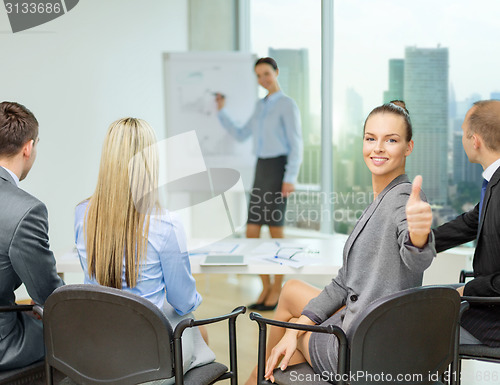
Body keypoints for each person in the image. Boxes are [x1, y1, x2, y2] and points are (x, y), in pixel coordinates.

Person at [244, 101, 435, 384]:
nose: (378, 148)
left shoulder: (403, 199)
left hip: (360, 351)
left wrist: (418, 236)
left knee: (283, 341)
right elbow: (344, 281)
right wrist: (296, 331)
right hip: (365, 333)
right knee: (290, 322)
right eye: (371, 139)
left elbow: (417, 256)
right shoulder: (381, 199)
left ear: (408, 147)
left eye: (391, 140)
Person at [74, 118, 215, 381]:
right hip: (147, 357)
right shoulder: (165, 224)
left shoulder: (82, 214)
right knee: (197, 331)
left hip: (95, 349)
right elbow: (183, 302)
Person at [215, 57, 303, 310]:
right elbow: (242, 133)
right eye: (258, 75)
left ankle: (278, 288)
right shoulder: (260, 105)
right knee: (252, 231)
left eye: (266, 73)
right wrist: (221, 111)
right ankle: (265, 285)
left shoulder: (287, 105)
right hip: (261, 168)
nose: (263, 79)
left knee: (276, 231)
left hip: (278, 169)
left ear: (276, 72)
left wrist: (290, 178)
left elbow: (296, 144)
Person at [0, 101, 64, 370]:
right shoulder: (25, 210)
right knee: (80, 334)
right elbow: (49, 296)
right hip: (5, 344)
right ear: (28, 147)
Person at [433, 100, 500, 347]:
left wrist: (468, 289)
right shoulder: (495, 183)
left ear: (475, 141)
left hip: (493, 317)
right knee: (427, 298)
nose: (461, 139)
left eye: (463, 132)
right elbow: (470, 222)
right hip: (488, 301)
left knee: (417, 319)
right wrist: (421, 242)